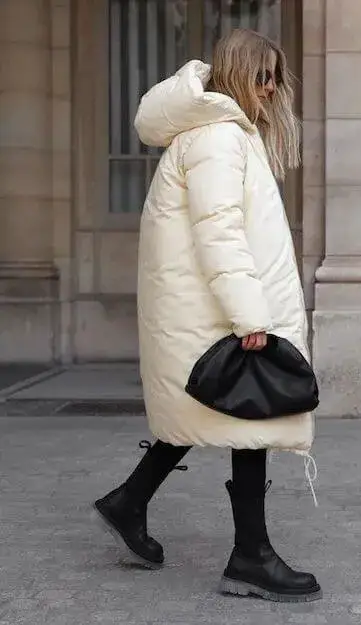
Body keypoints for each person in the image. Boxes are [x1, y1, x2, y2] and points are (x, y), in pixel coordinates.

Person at [93, 28, 321, 603]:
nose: (270, 90)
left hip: (210, 311)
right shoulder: (218, 138)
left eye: (275, 78)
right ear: (238, 74)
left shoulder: (218, 134)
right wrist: (250, 317)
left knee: (219, 411)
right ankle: (250, 558)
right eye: (261, 76)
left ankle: (129, 502)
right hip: (222, 312)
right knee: (248, 419)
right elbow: (219, 232)